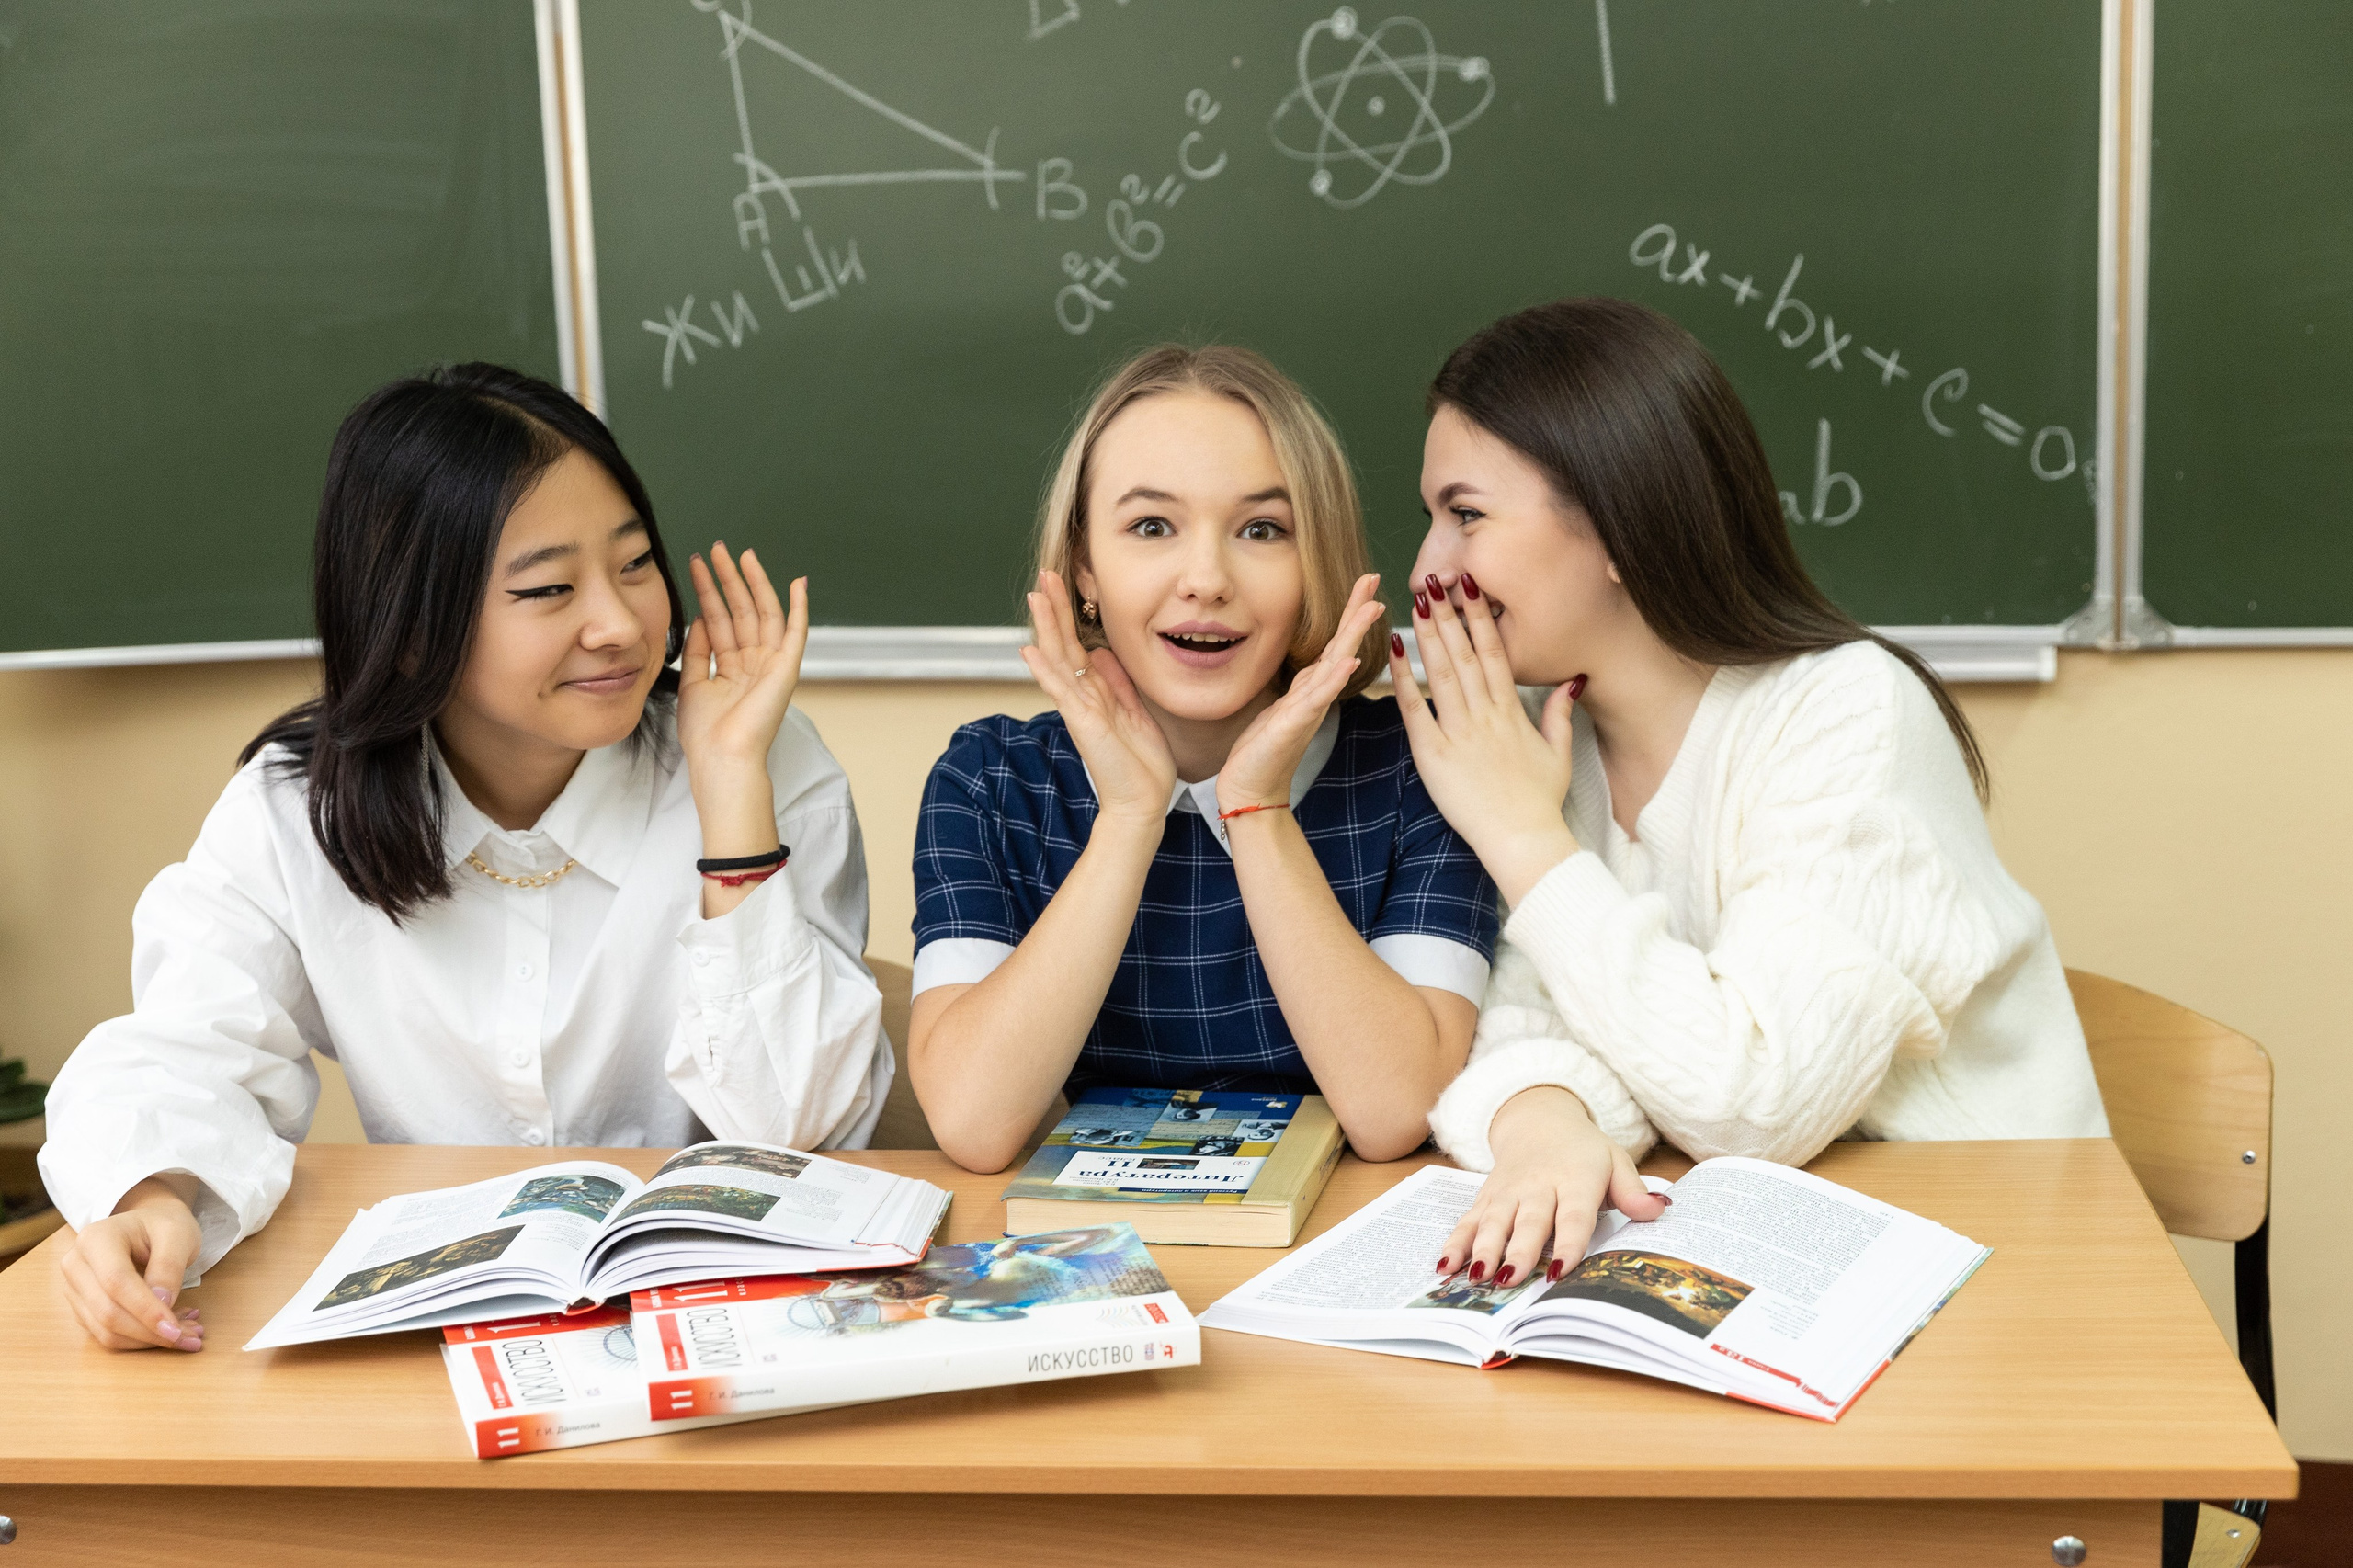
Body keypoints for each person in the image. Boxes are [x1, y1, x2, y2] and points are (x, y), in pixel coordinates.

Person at [41, 364, 887, 1352]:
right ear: (411, 630)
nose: (617, 623)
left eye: (635, 563)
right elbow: (187, 1042)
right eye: (548, 588)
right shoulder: (295, 805)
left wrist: (733, 784)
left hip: (724, 1334)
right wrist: (150, 1194)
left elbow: (806, 1129)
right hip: (437, 1339)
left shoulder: (761, 756)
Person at [1391, 300, 2108, 1287]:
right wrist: (1548, 1120)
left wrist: (1521, 835)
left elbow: (1753, 1100)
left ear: (1615, 521)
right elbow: (1534, 1028)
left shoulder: (1847, 709)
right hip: (1770, 1250)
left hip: (2002, 1258)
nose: (1430, 567)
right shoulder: (1542, 732)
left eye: (1465, 514)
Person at [909, 345, 1498, 1174]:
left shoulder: (1423, 766)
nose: (1206, 579)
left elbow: (1395, 1110)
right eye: (1152, 526)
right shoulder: (992, 781)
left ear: (1314, 562)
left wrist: (1255, 805)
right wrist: (1128, 817)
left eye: (1262, 529)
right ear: (1085, 568)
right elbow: (975, 1123)